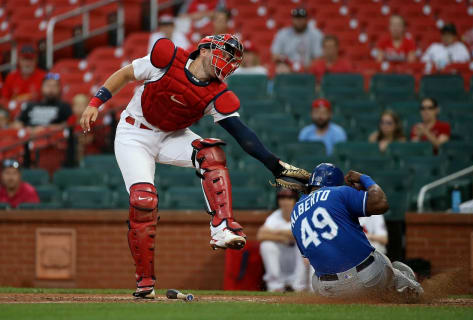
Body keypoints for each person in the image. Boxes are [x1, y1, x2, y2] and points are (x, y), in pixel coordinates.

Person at [79, 34, 310, 299]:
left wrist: (275, 165)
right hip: (135, 134)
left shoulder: (217, 93)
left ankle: (222, 228)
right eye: (225, 54)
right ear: (206, 49)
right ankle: (145, 282)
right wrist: (96, 103)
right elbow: (125, 74)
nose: (228, 63)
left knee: (211, 153)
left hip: (172, 136)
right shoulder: (166, 58)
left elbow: (242, 134)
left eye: (233, 60)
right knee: (143, 200)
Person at [290, 163, 423, 300]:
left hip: (327, 290)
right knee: (385, 260)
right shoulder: (338, 192)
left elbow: (307, 254)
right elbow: (381, 203)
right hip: (368, 278)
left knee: (315, 277)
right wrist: (365, 179)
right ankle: (411, 288)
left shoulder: (295, 212)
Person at [258, 188, 308, 292]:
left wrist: (277, 232)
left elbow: (301, 234)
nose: (285, 201)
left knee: (302, 246)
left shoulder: (301, 214)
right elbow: (261, 235)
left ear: (295, 201)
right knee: (267, 245)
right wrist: (282, 238)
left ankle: (298, 287)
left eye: (289, 198)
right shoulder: (275, 216)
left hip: (299, 264)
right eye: (282, 198)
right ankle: (275, 286)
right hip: (282, 260)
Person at [1, 45, 46, 111]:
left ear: (36, 60)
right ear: (19, 60)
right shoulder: (11, 77)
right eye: (24, 59)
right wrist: (11, 106)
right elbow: (4, 99)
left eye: (30, 60)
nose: (27, 63)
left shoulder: (44, 76)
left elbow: (48, 100)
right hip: (14, 112)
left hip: (36, 112)